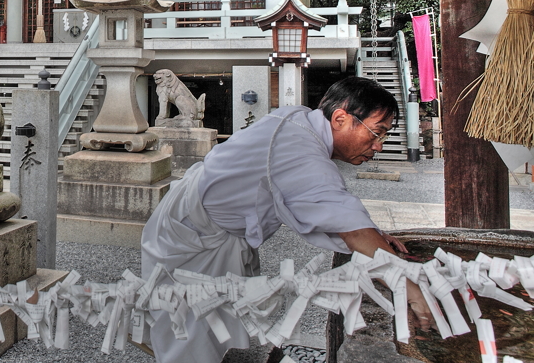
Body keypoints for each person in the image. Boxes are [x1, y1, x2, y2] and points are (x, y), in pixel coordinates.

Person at [141, 76, 434, 363]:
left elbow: (338, 204)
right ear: (341, 119)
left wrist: (375, 235)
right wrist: (408, 287)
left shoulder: (299, 119)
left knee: (218, 324)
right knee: (193, 332)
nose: (378, 145)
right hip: (193, 237)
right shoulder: (301, 148)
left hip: (203, 227)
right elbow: (350, 227)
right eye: (377, 132)